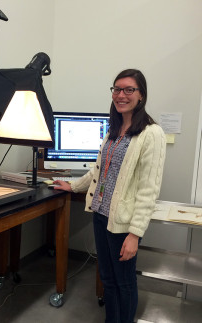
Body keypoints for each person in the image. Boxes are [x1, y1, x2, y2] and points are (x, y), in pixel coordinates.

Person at [53, 69, 166, 323]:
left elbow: (149, 190)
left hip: (123, 224)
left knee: (124, 283)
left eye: (129, 89)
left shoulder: (151, 133)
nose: (121, 95)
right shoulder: (114, 130)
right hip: (101, 216)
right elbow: (98, 172)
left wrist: (135, 234)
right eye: (116, 89)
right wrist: (72, 186)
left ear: (141, 95)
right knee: (108, 279)